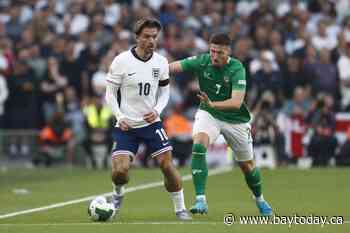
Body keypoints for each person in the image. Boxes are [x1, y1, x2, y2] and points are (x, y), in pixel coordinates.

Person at [169, 33, 273, 216]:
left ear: (228, 52)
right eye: (212, 51)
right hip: (209, 114)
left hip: (235, 119)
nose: (215, 56)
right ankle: (200, 199)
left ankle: (260, 199)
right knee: (199, 144)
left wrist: (213, 103)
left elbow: (236, 101)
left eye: (219, 52)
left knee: (247, 166)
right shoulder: (203, 61)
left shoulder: (237, 68)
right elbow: (174, 67)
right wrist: (151, 69)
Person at [105, 18, 191, 220]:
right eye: (146, 36)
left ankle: (180, 209)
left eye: (154, 36)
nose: (151, 40)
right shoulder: (121, 61)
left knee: (167, 166)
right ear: (137, 37)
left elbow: (164, 92)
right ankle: (118, 194)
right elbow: (110, 93)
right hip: (126, 124)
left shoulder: (161, 62)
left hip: (152, 124)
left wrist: (158, 110)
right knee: (120, 172)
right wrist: (119, 116)